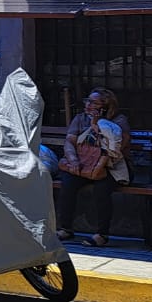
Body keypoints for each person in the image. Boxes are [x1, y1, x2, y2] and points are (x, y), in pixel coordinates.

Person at [57, 87, 131, 247]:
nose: (88, 105)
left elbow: (117, 148)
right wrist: (73, 160)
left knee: (102, 189)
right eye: (87, 101)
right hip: (84, 164)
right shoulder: (80, 118)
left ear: (105, 106)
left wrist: (98, 165)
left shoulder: (118, 121)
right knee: (68, 183)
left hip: (111, 166)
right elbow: (70, 141)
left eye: (93, 102)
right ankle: (65, 228)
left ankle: (101, 234)